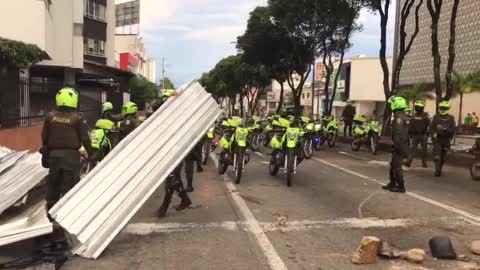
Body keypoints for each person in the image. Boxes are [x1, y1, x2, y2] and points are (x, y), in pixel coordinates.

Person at [41, 87, 95, 210]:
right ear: (74, 100)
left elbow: (44, 137)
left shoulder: (49, 117)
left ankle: (51, 216)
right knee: (69, 188)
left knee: (53, 186)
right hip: (71, 158)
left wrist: (46, 153)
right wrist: (92, 154)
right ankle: (66, 216)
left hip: (54, 156)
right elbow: (85, 139)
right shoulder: (78, 118)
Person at [382, 96, 409, 193]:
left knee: (397, 166)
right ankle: (392, 183)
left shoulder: (398, 119)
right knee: (393, 165)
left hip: (400, 146)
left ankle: (401, 186)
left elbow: (398, 134)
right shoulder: (405, 117)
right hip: (403, 145)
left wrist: (397, 146)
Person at [430, 100, 456, 177]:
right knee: (437, 155)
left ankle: (439, 169)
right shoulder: (436, 117)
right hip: (437, 139)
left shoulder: (451, 118)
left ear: (448, 108)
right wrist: (433, 133)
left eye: (444, 108)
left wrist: (445, 129)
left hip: (446, 139)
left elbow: (453, 130)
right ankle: (437, 170)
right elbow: (431, 128)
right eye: (442, 107)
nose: (443, 109)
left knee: (443, 156)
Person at [405, 101, 430, 168]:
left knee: (423, 150)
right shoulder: (414, 116)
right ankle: (409, 162)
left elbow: (429, 125)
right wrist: (410, 133)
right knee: (412, 149)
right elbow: (410, 126)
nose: (417, 108)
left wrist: (427, 133)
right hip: (415, 135)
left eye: (418, 107)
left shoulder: (424, 116)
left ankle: (424, 163)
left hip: (422, 135)